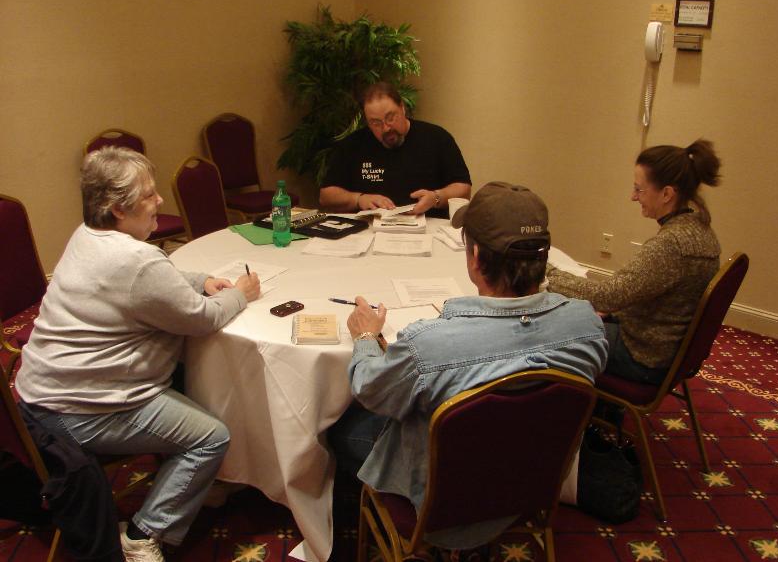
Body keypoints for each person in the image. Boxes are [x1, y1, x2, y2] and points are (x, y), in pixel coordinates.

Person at [328, 182, 607, 550]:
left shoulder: (427, 344)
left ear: (475, 257)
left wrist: (366, 337)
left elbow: (371, 391)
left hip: (438, 510)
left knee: (341, 429)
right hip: (529, 491)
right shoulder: (587, 325)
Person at [15, 146, 261, 562]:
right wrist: (241, 293)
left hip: (42, 393)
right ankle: (144, 533)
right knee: (210, 438)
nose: (160, 200)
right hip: (82, 410)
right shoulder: (137, 260)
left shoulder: (88, 236)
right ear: (117, 209)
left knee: (186, 372)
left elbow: (151, 279)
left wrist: (201, 280)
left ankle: (196, 485)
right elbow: (201, 318)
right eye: (149, 195)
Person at [547, 139, 722, 386]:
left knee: (546, 330)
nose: (633, 197)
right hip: (664, 347)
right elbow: (633, 293)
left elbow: (607, 296)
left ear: (667, 194)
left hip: (642, 356)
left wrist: (546, 273)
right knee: (578, 314)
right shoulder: (700, 230)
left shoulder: (671, 245)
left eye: (639, 190)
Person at [319, 82, 472, 216]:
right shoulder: (353, 145)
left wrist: (436, 197)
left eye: (391, 117)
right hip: (369, 230)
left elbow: (463, 189)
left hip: (428, 227)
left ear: (402, 108)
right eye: (376, 123)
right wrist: (358, 199)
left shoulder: (437, 138)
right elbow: (326, 196)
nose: (386, 128)